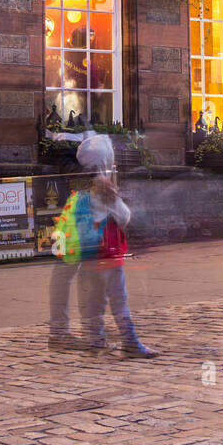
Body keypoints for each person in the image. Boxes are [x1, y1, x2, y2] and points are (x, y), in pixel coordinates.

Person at [71, 135, 158, 358]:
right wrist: (117, 198)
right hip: (108, 256)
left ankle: (96, 342)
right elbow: (124, 218)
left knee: (93, 302)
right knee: (119, 301)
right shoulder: (106, 189)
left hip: (87, 256)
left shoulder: (80, 187)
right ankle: (130, 342)